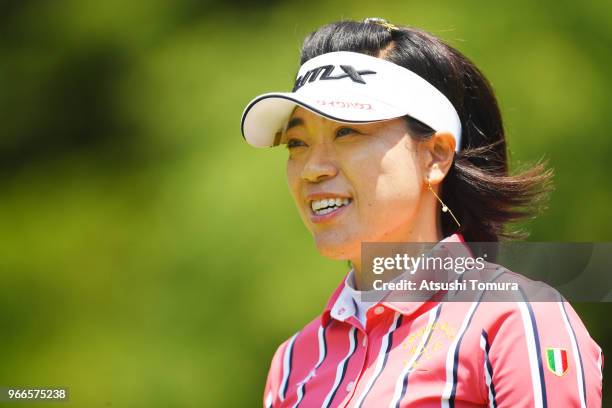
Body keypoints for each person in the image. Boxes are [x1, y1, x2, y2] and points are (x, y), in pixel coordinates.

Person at [240, 18, 603, 407]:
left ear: (436, 155)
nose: (313, 168)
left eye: (347, 132)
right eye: (296, 142)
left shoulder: (517, 319)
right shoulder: (293, 361)